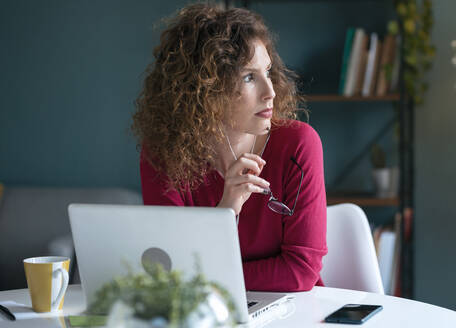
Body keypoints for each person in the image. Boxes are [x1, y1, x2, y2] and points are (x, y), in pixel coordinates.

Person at [132, 3, 327, 292]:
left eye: (268, 71)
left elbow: (300, 271)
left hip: (292, 312)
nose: (270, 91)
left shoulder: (298, 145)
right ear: (204, 89)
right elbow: (171, 268)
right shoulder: (163, 154)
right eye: (249, 77)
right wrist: (226, 210)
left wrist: (206, 274)